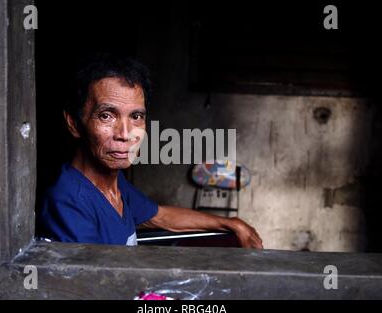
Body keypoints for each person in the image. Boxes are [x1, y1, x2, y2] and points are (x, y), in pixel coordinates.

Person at [37, 56, 263, 249]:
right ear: (74, 124)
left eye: (136, 117)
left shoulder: (114, 186)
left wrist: (231, 223)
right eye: (107, 115)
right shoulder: (68, 203)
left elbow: (161, 216)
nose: (125, 134)